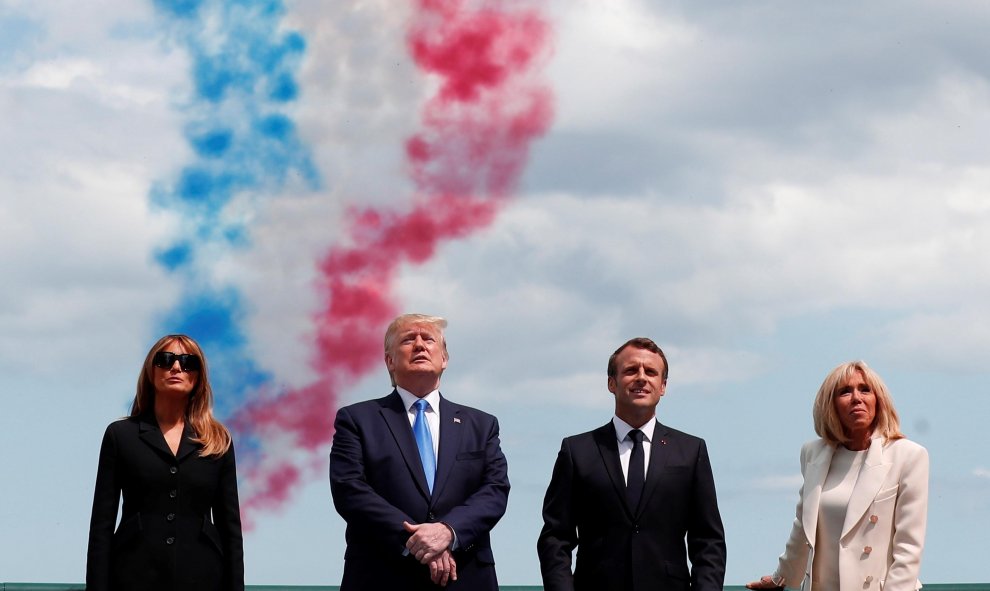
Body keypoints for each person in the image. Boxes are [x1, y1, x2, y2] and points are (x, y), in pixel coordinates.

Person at [329, 313, 510, 590]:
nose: (419, 345)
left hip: (465, 575)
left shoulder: (481, 425)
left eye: (428, 339)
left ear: (444, 359)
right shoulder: (357, 420)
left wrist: (447, 532)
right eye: (407, 340)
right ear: (389, 361)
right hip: (381, 575)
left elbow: (495, 490)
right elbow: (350, 490)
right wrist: (417, 541)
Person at [537, 337, 726, 591]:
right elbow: (555, 538)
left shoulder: (691, 451)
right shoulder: (577, 451)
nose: (641, 377)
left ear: (663, 386)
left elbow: (708, 541)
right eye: (630, 370)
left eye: (650, 372)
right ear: (611, 383)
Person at [747, 360, 929, 591]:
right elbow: (804, 527)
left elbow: (908, 547)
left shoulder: (909, 455)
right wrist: (780, 577)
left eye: (865, 389)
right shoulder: (813, 453)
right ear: (830, 405)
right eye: (845, 391)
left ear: (878, 400)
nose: (856, 398)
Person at [86, 334, 244, 591]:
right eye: (166, 359)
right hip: (132, 576)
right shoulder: (120, 435)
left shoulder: (217, 440)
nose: (176, 367)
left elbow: (231, 529)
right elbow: (101, 526)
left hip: (203, 577)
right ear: (151, 370)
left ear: (198, 376)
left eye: (188, 362)